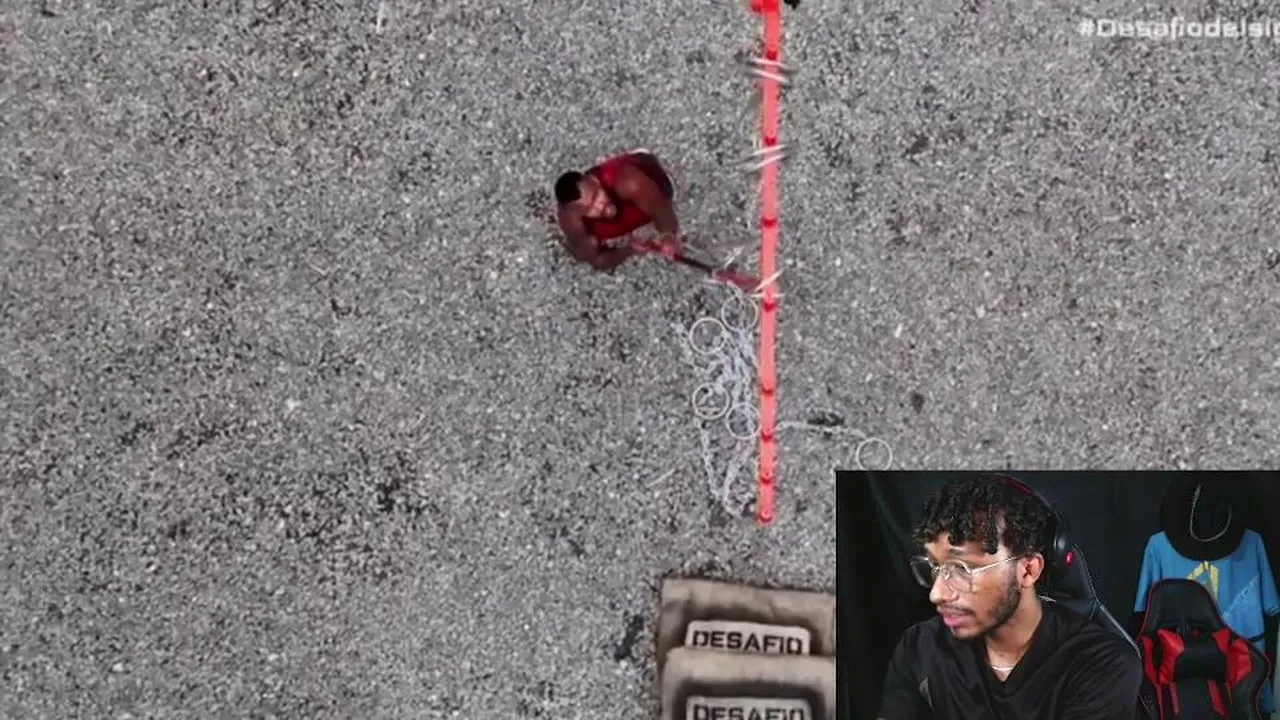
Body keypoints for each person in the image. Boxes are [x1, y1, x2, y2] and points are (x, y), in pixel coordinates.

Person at [877, 476, 1142, 720]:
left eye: (961, 568)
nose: (937, 593)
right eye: (935, 566)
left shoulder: (1102, 664)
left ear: (1027, 570)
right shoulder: (920, 647)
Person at [553, 149, 682, 272]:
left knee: (655, 197)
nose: (599, 206)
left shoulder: (627, 182)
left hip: (654, 179)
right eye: (589, 209)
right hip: (628, 210)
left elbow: (662, 209)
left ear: (594, 181)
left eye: (597, 195)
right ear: (578, 213)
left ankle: (634, 159)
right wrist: (629, 250)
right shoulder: (572, 222)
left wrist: (667, 236)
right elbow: (597, 260)